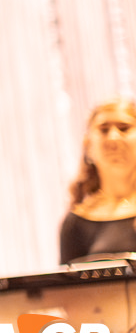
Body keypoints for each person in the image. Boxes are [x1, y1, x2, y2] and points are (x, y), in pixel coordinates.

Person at [60, 98, 136, 263]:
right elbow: (65, 288)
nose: (114, 138)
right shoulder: (76, 223)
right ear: (88, 145)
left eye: (124, 128)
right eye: (104, 130)